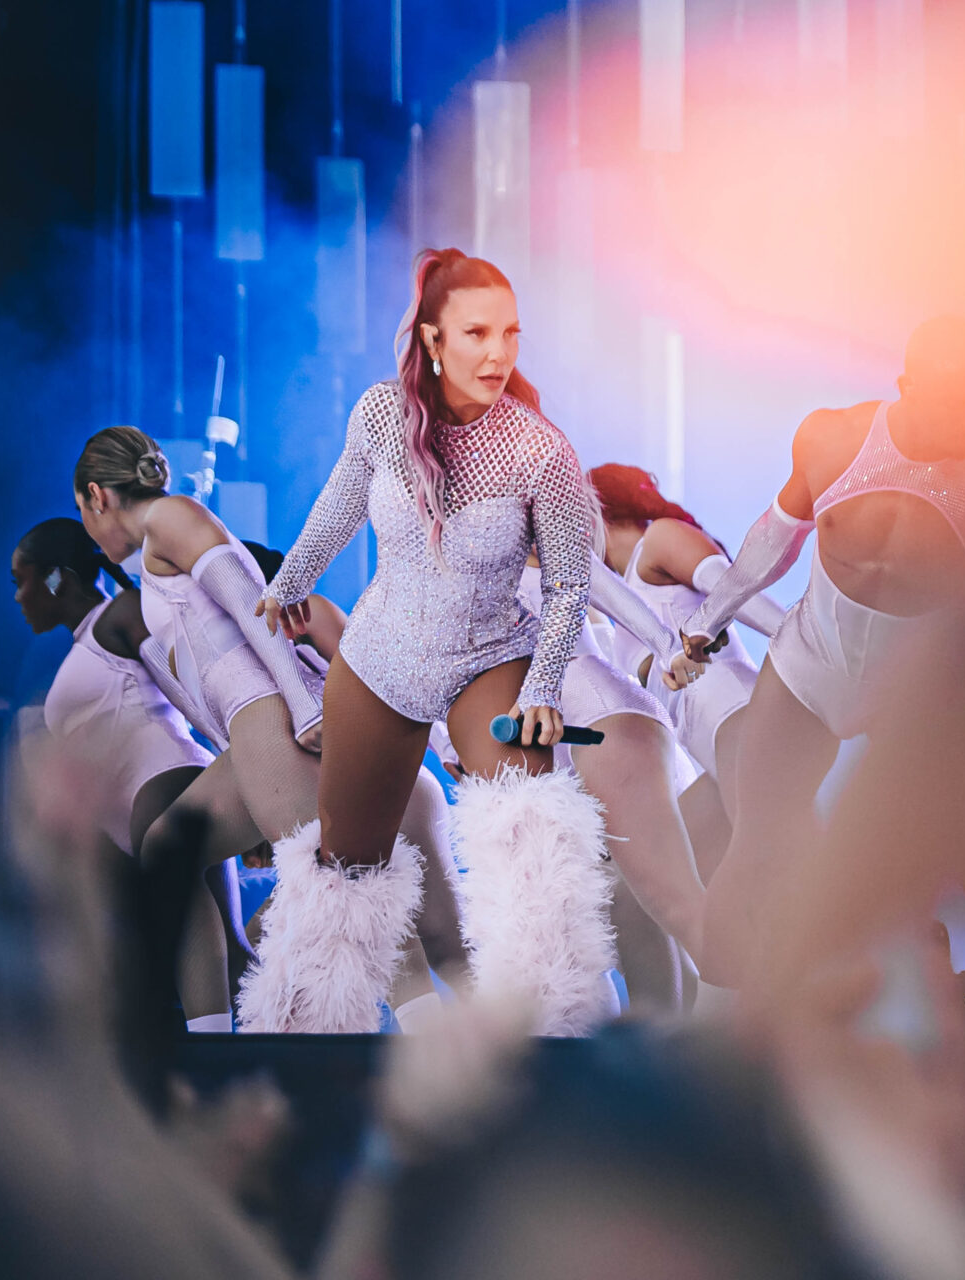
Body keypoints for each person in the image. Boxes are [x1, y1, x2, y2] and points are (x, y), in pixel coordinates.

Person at [258, 247, 614, 1037]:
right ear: (431, 339)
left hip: (491, 658)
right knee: (342, 878)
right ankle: (304, 1047)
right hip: (380, 657)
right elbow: (341, 502)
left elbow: (566, 588)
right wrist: (291, 581)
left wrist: (543, 689)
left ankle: (554, 1047)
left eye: (511, 334)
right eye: (478, 333)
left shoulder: (541, 450)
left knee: (532, 841)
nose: (499, 354)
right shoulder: (382, 414)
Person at [677, 316, 965, 1036]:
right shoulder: (832, 440)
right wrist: (707, 623)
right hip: (815, 663)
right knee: (759, 841)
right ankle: (709, 1026)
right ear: (907, 387)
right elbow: (769, 546)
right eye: (957, 398)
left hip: (919, 688)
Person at [72, 427, 466, 1032]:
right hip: (253, 726)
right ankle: (210, 1044)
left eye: (82, 513)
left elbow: (259, 604)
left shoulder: (170, 518)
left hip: (272, 713)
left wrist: (302, 709)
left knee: (353, 894)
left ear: (97, 496)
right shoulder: (158, 553)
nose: (91, 534)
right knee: (166, 847)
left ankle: (443, 1060)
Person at [9, 516, 248, 1033]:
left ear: (55, 580)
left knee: (212, 948)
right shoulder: (81, 644)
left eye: (20, 580)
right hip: (135, 810)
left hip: (165, 783)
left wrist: (241, 747)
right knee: (224, 954)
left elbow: (186, 682)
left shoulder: (118, 613)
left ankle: (258, 1057)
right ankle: (295, 1045)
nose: (16, 596)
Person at [513, 544, 707, 1015]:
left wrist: (666, 648)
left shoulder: (544, 551)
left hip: (603, 720)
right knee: (636, 913)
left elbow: (609, 591)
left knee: (676, 904)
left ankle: (776, 1031)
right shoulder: (465, 566)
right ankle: (666, 1068)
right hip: (572, 744)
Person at [588, 464, 781, 891]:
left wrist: (800, 634)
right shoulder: (620, 607)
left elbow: (732, 585)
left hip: (728, 706)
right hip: (699, 742)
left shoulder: (657, 539)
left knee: (777, 864)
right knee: (650, 885)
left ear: (595, 508)